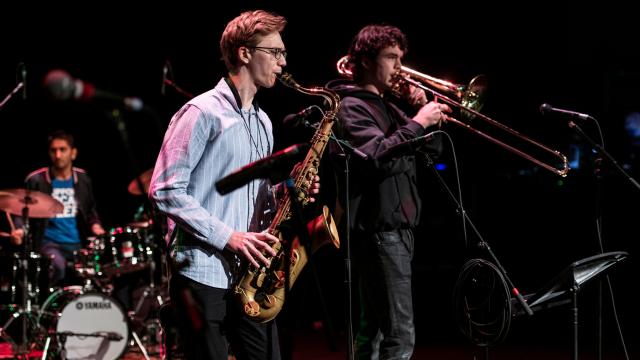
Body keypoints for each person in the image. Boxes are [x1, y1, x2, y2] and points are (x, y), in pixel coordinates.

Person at [149, 10, 317, 360]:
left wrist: (286, 191)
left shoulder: (264, 123)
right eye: (275, 52)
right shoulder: (201, 112)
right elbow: (164, 190)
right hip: (201, 272)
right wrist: (229, 236)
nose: (283, 62)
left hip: (249, 277)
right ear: (244, 53)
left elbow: (251, 198)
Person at [326, 24, 451, 359]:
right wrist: (418, 122)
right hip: (380, 231)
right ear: (365, 61)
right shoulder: (351, 106)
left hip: (396, 230)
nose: (400, 68)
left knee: (377, 332)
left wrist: (420, 113)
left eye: (401, 58)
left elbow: (431, 153)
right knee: (400, 336)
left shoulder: (388, 107)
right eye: (391, 58)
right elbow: (374, 157)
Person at [11, 130, 106, 287]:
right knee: (58, 267)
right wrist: (20, 229)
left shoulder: (83, 179)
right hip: (50, 243)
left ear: (73, 153)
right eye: (53, 150)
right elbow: (21, 210)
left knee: (96, 275)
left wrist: (96, 226)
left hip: (78, 244)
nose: (58, 155)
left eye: (63, 149)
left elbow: (91, 211)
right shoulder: (37, 180)